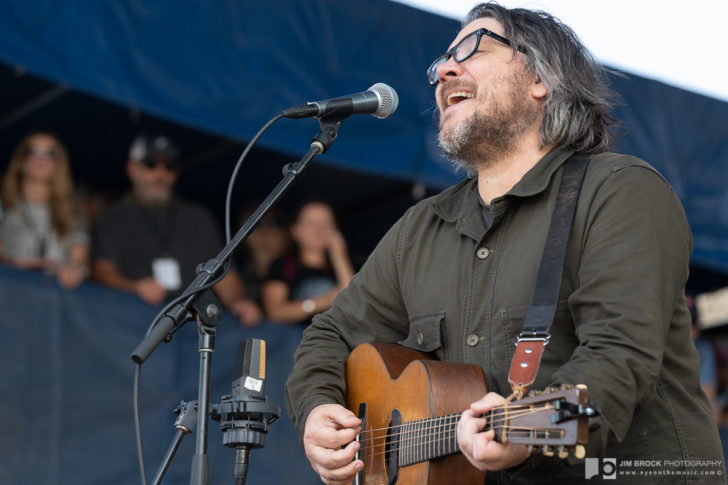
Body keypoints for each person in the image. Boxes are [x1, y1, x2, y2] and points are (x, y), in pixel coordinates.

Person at [285, 2, 725, 483]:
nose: (445, 71)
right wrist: (317, 410)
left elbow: (620, 360)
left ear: (543, 78)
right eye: (441, 63)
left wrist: (528, 430)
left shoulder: (620, 191)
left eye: (474, 48)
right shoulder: (420, 229)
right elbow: (331, 335)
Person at [92, 133, 261, 327]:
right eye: (150, 164)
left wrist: (240, 302)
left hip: (190, 327)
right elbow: (101, 271)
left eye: (169, 166)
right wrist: (135, 288)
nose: (160, 173)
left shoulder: (198, 217)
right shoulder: (112, 218)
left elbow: (224, 274)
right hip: (132, 323)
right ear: (132, 169)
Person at [0, 131, 90, 289]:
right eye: (32, 151)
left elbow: (79, 256)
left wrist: (74, 271)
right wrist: (18, 264)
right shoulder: (4, 204)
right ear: (20, 161)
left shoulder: (72, 210)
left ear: (59, 164)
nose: (40, 158)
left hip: (53, 298)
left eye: (50, 153)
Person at [261, 201, 354, 325]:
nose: (319, 229)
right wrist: (324, 301)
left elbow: (354, 301)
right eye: (310, 223)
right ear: (295, 230)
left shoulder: (346, 264)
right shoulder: (282, 265)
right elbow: (275, 312)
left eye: (326, 223)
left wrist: (339, 255)